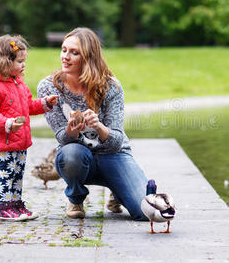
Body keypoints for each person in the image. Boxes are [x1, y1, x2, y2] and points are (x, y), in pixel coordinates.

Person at [37, 27, 148, 221]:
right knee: (70, 154)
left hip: (113, 155)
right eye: (64, 50)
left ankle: (118, 190)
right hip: (78, 158)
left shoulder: (110, 86)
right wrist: (70, 130)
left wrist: (99, 126)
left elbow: (116, 141)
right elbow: (62, 138)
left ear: (88, 57)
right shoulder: (48, 87)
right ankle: (76, 197)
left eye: (74, 52)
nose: (65, 56)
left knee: (145, 211)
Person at [0, 35, 59, 221]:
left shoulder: (19, 85)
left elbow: (28, 106)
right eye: (20, 61)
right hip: (5, 141)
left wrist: (45, 103)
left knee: (17, 175)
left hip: (20, 142)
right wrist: (7, 124)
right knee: (8, 175)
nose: (24, 65)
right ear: (5, 61)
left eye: (24, 61)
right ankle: (4, 207)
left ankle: (15, 204)